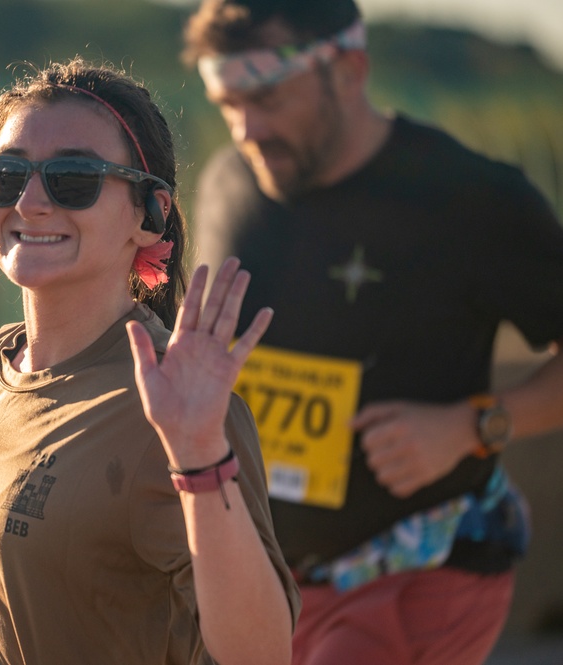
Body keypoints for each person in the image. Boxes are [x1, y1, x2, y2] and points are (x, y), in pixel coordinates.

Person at [0, 58, 300, 664]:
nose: (29, 202)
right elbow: (71, 559)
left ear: (148, 212)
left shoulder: (172, 402)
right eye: (5, 174)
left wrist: (199, 451)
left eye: (73, 177)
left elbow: (261, 655)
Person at [180, 1, 563, 663]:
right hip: (263, 579)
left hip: (417, 571)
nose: (247, 129)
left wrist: (468, 426)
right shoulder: (224, 183)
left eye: (267, 97)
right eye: (226, 103)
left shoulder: (470, 197)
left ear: (349, 69)